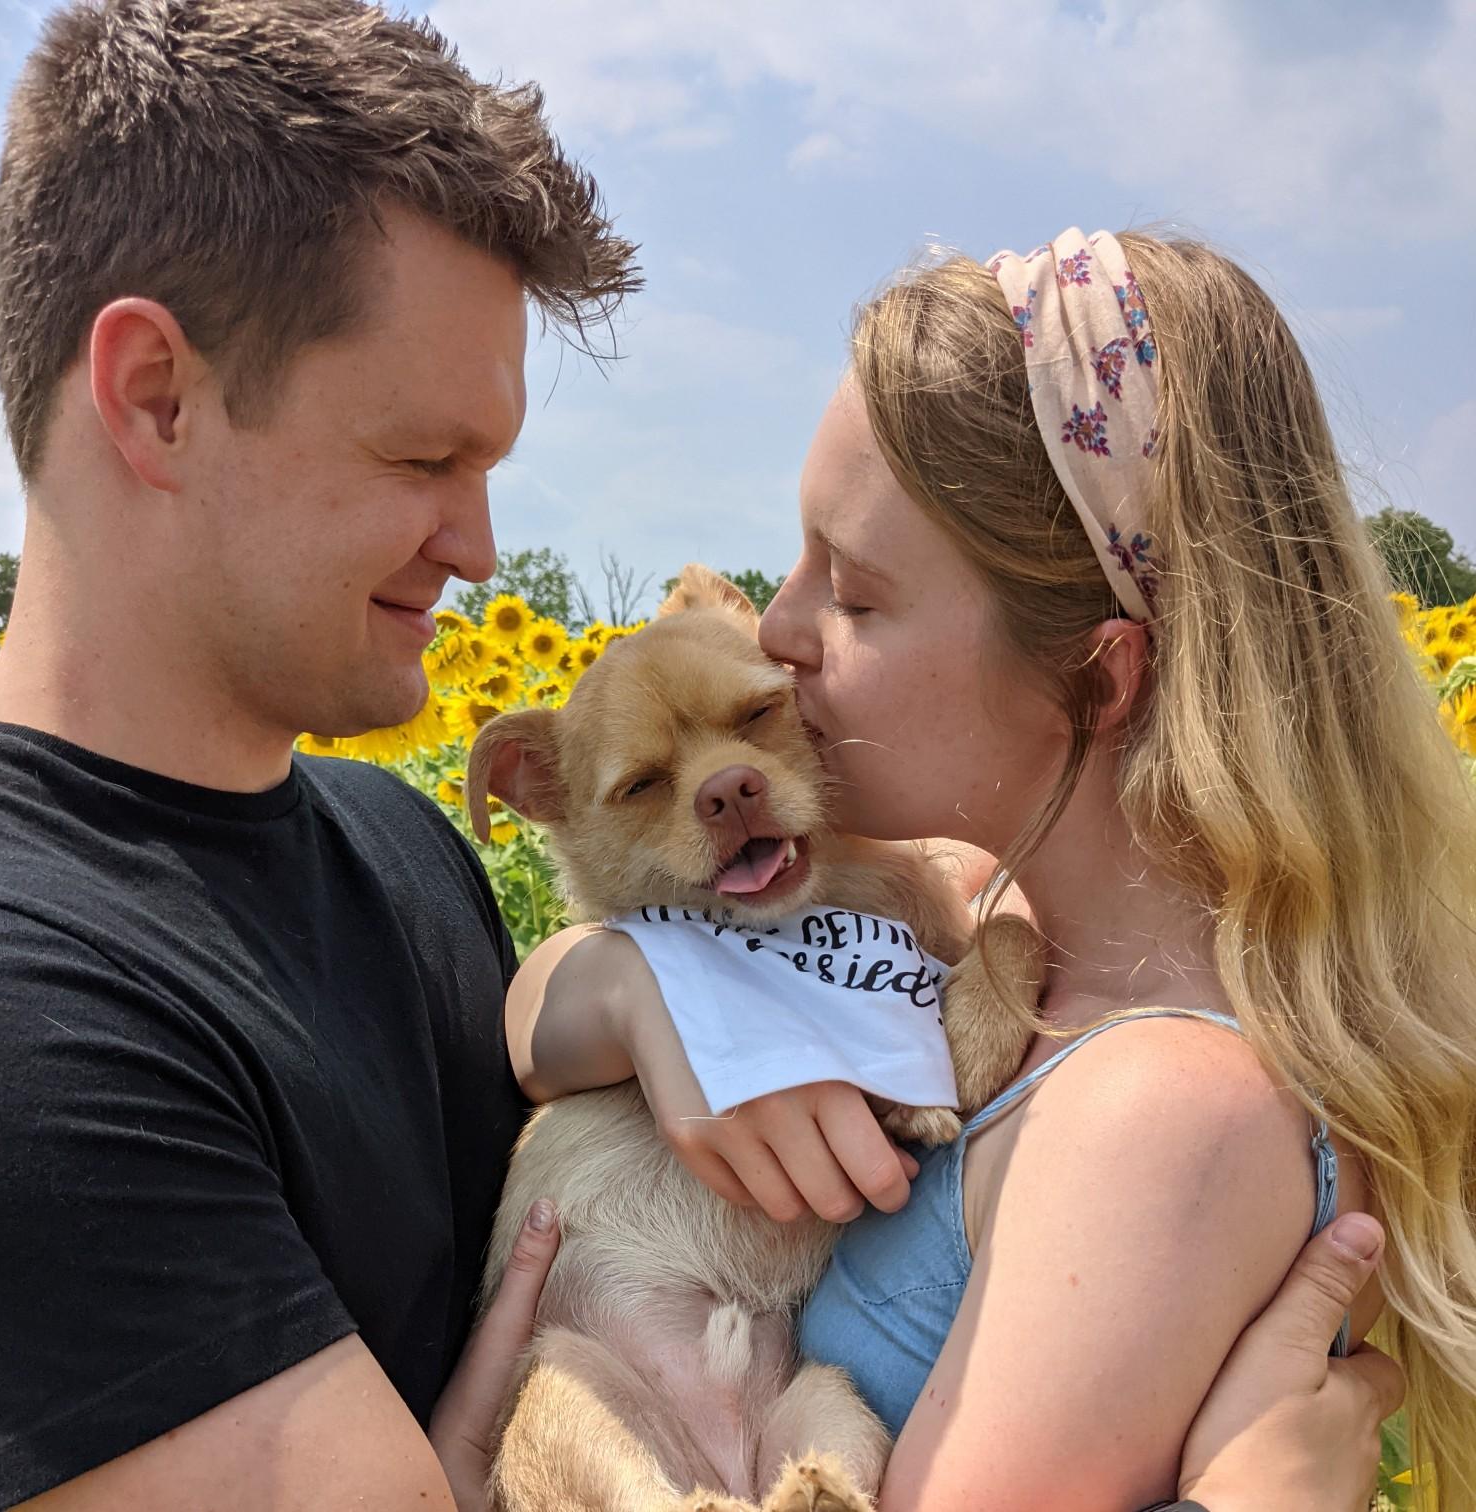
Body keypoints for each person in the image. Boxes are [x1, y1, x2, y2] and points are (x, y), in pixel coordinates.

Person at [0, 2, 1403, 1508]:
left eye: (490, 464)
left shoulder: (399, 855)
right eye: (420, 459)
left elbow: (562, 1007)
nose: (481, 547)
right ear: (152, 397)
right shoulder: (14, 1012)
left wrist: (652, 993)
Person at [510, 228, 1476, 1509]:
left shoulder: (1155, 1118)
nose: (779, 634)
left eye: (852, 594)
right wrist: (634, 991)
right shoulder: (1005, 933)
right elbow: (542, 1006)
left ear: (1093, 673)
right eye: (792, 559)